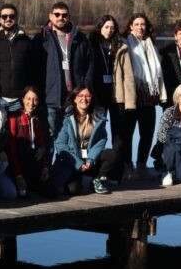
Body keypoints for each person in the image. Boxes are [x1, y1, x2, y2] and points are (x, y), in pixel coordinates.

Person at [31, 2, 94, 143]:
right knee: (49, 138)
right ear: (50, 16)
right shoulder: (41, 38)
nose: (61, 18)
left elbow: (90, 63)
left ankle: (69, 159)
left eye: (64, 15)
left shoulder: (80, 38)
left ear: (69, 17)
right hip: (50, 98)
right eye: (57, 14)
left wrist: (85, 85)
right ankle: (49, 159)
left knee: (72, 139)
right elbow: (33, 68)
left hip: (74, 98)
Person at [88, 15, 137, 182]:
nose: (109, 30)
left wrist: (130, 101)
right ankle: (96, 170)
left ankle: (116, 172)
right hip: (98, 96)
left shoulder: (120, 47)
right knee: (97, 133)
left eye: (112, 28)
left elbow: (128, 76)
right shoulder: (92, 45)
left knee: (119, 136)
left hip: (117, 96)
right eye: (106, 27)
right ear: (100, 28)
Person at [51, 86, 117, 195]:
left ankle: (97, 180)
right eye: (80, 96)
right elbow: (61, 145)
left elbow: (102, 139)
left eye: (88, 96)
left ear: (92, 98)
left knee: (112, 155)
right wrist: (78, 164)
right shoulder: (65, 118)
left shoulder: (98, 117)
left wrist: (91, 159)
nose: (84, 99)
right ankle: (74, 179)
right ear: (75, 99)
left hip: (90, 159)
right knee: (74, 190)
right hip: (73, 161)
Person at [124, 13, 167, 180]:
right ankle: (127, 166)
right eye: (136, 24)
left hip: (149, 96)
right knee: (128, 133)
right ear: (130, 26)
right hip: (132, 95)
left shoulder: (151, 44)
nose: (140, 27)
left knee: (147, 133)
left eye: (143, 24)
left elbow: (157, 71)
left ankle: (142, 165)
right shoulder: (126, 43)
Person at [7, 86, 56, 198]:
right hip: (17, 165)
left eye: (35, 99)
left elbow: (41, 145)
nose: (31, 103)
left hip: (33, 164)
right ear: (23, 99)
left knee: (52, 191)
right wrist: (18, 175)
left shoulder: (37, 119)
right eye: (28, 99)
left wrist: (44, 167)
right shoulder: (14, 118)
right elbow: (12, 150)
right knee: (22, 194)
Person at [0, 3, 33, 104]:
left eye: (11, 16)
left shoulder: (26, 41)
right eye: (4, 16)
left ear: (16, 18)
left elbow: (32, 68)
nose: (8, 19)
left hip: (20, 98)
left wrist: (29, 91)